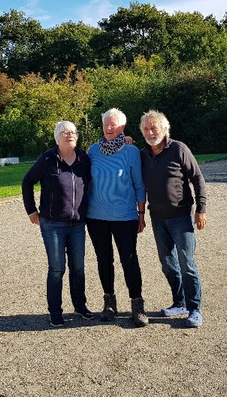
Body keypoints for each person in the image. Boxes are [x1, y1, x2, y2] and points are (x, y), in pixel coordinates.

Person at [22, 121, 94, 327]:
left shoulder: (84, 159)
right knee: (56, 268)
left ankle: (80, 306)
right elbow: (27, 181)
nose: (69, 135)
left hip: (77, 223)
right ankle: (55, 311)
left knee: (78, 268)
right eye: (64, 132)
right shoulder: (48, 159)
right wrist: (31, 210)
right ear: (57, 137)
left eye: (72, 132)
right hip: (52, 224)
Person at [139, 110, 207, 328]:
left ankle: (194, 309)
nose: (150, 132)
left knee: (187, 264)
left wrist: (201, 209)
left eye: (153, 128)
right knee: (168, 263)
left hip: (180, 217)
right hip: (157, 218)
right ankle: (180, 302)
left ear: (164, 128)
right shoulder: (142, 154)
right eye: (146, 129)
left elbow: (197, 178)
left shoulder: (178, 149)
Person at [86, 108, 149, 327]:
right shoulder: (93, 150)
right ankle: (109, 302)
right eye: (105, 124)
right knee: (104, 260)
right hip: (96, 216)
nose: (108, 128)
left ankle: (137, 304)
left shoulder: (131, 152)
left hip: (125, 216)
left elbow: (139, 185)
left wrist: (141, 214)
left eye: (113, 124)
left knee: (129, 259)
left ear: (122, 127)